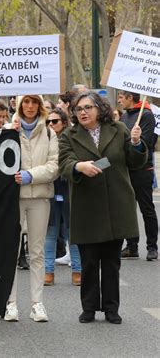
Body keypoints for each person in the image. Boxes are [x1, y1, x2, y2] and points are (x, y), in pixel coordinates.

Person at [58, 91, 147, 324]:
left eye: (88, 107)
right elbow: (64, 162)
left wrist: (137, 143)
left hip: (116, 204)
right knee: (88, 262)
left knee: (111, 262)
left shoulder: (119, 130)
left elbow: (134, 161)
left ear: (100, 108)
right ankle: (88, 308)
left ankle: (111, 309)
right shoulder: (69, 134)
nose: (83, 112)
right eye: (79, 109)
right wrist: (79, 166)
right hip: (86, 207)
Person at [4, 95, 58, 323]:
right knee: (11, 252)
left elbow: (54, 166)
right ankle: (11, 303)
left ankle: (37, 303)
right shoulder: (9, 129)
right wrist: (8, 130)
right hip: (12, 199)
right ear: (19, 105)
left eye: (33, 102)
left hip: (39, 197)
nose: (29, 107)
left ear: (39, 106)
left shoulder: (49, 133)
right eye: (25, 102)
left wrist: (30, 176)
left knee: (37, 252)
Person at [117, 90, 158, 261]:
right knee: (127, 209)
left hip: (142, 170)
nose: (119, 101)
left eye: (121, 97)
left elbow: (148, 142)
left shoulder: (147, 115)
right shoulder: (125, 117)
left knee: (146, 209)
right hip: (126, 169)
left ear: (130, 98)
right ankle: (131, 246)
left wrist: (136, 140)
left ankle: (152, 247)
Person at [43, 109, 81, 286]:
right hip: (50, 189)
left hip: (69, 189)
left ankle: (77, 271)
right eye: (48, 121)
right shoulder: (44, 139)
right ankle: (48, 272)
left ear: (64, 122)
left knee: (71, 232)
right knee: (50, 232)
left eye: (55, 121)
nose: (51, 124)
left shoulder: (73, 138)